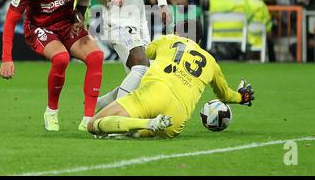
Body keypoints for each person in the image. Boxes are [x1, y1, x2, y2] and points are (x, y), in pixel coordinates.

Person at [0, 0, 123, 132]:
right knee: (61, 58)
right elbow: (11, 19)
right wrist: (6, 58)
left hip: (67, 24)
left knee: (96, 56)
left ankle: (88, 119)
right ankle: (51, 111)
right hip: (40, 28)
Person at [87, 20, 255, 138]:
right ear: (200, 41)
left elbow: (146, 55)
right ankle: (140, 130)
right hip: (175, 119)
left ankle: (143, 125)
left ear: (176, 32)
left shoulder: (167, 39)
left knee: (94, 124)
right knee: (144, 130)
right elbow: (225, 95)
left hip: (152, 95)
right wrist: (242, 97)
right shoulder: (211, 62)